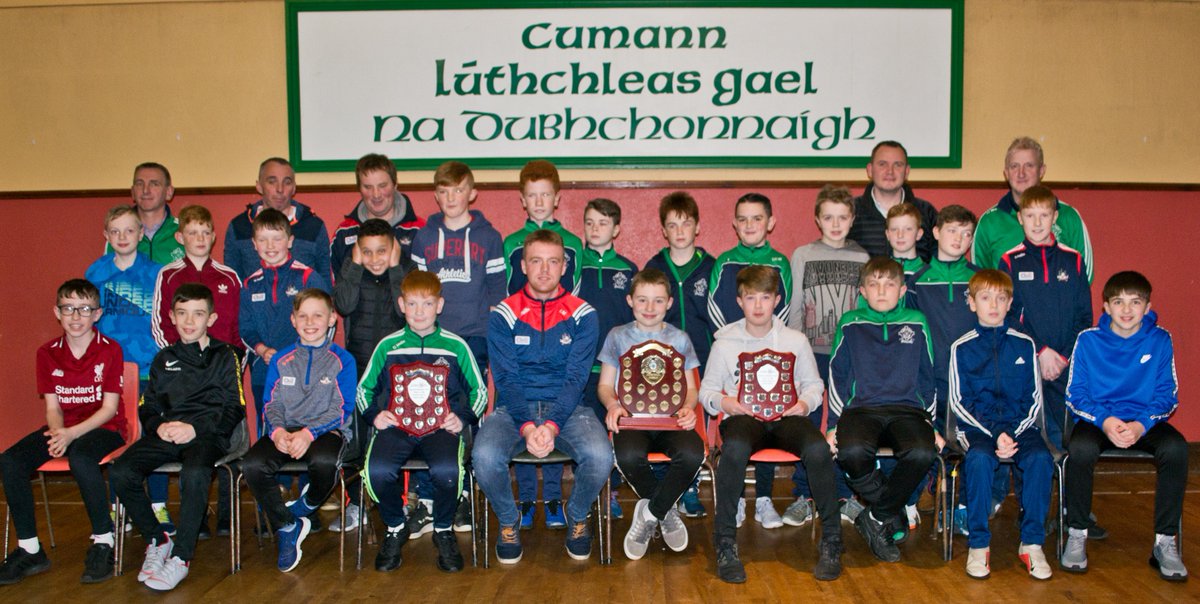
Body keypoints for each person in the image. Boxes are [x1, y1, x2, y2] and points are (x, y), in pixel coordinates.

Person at [475, 229, 612, 564]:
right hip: (513, 408)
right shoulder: (503, 313)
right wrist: (526, 426)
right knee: (483, 457)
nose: (545, 270)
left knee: (600, 456)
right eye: (536, 261)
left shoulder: (584, 313)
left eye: (553, 262)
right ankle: (508, 522)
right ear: (523, 265)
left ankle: (577, 514)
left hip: (568, 408)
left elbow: (576, 378)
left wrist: (550, 425)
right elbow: (505, 379)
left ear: (564, 266)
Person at [700, 265, 841, 583]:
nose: (759, 305)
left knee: (818, 449)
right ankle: (725, 544)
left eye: (765, 297)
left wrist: (803, 404)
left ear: (777, 299)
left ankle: (832, 541)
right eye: (751, 298)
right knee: (733, 448)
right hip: (743, 417)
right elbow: (707, 391)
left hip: (787, 417)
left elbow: (814, 385)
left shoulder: (795, 340)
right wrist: (726, 403)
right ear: (739, 301)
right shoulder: (724, 342)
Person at [108, 283, 245, 592]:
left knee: (196, 473)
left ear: (210, 319)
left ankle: (181, 557)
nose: (189, 321)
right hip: (167, 433)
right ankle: (158, 540)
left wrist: (195, 429)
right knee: (121, 471)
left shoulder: (226, 356)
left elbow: (234, 407)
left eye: (198, 314)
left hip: (206, 435)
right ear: (171, 316)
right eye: (182, 313)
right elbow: (149, 405)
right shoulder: (163, 357)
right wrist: (157, 426)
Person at [1060, 271, 1188, 581]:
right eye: (1118, 302)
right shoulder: (1088, 340)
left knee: (1176, 448)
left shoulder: (1160, 339)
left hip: (1143, 420)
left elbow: (1166, 395)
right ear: (1105, 306)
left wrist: (1142, 426)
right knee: (1080, 448)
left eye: (1135, 302)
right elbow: (1075, 395)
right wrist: (1105, 421)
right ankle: (1077, 532)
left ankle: (1165, 542)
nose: (1127, 310)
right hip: (1099, 418)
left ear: (1147, 306)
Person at [357, 271, 487, 572]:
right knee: (375, 471)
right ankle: (394, 526)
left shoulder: (455, 346)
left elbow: (479, 391)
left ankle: (443, 529)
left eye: (427, 304)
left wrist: (463, 417)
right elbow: (363, 390)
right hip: (397, 428)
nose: (419, 312)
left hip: (439, 428)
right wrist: (374, 415)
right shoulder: (387, 346)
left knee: (448, 470)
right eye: (412, 304)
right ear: (401, 305)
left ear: (439, 305)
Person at [0, 279, 127, 585]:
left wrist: (71, 436)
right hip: (63, 427)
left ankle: (103, 541)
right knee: (10, 461)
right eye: (68, 308)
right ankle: (30, 550)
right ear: (57, 312)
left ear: (97, 314)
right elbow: (53, 408)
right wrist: (58, 433)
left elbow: (109, 410)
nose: (75, 316)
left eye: (84, 309)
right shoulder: (47, 353)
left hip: (103, 427)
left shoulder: (110, 350)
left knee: (82, 458)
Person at [410, 160, 505, 532]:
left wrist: (491, 340)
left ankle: (464, 493)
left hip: (475, 338)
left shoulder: (488, 237)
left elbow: (498, 294)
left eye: (458, 190)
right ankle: (428, 497)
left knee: (466, 414)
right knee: (424, 410)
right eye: (444, 191)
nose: (451, 198)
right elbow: (417, 290)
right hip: (433, 339)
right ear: (436, 196)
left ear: (472, 193)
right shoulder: (423, 237)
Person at [828, 257, 941, 563]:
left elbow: (927, 374)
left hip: (908, 409)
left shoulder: (917, 321)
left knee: (922, 452)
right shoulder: (850, 322)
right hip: (861, 409)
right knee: (850, 452)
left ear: (902, 289)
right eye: (873, 284)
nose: (881, 291)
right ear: (862, 290)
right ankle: (891, 516)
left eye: (889, 284)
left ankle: (876, 516)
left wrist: (932, 423)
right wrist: (833, 425)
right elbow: (838, 374)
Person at [948, 270, 1054, 580]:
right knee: (979, 459)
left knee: (1039, 458)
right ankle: (979, 545)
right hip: (978, 430)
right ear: (972, 303)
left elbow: (1034, 399)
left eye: (1001, 298)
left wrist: (1012, 432)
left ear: (1010, 304)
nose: (993, 304)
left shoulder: (1024, 344)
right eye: (985, 297)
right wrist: (996, 433)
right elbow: (959, 402)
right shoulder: (961, 348)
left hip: (1021, 427)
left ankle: (1032, 543)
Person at [241, 289, 355, 572]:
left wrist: (309, 434)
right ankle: (287, 524)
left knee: (325, 462)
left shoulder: (343, 360)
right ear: (293, 320)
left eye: (318, 315)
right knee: (252, 465)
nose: (310, 321)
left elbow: (341, 408)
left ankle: (304, 506)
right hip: (285, 429)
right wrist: (278, 431)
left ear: (331, 319)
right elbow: (271, 403)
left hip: (327, 431)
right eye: (303, 315)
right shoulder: (281, 359)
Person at [597, 268, 703, 560]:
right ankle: (666, 511)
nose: (649, 308)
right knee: (628, 456)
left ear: (669, 303)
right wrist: (613, 405)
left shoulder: (680, 338)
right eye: (642, 300)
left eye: (658, 301)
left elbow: (691, 389)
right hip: (632, 421)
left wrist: (688, 407)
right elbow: (605, 385)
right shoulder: (617, 336)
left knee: (693, 455)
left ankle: (650, 513)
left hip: (671, 421)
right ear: (630, 300)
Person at [502, 160, 584, 529]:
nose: (539, 202)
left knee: (554, 413)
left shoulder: (572, 243)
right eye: (532, 196)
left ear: (557, 198)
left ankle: (552, 498)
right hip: (520, 337)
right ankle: (524, 500)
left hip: (559, 336)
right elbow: (510, 291)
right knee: (521, 412)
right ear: (522, 200)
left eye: (545, 196)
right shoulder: (510, 243)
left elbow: (570, 291)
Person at [783, 184, 869, 527]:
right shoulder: (803, 254)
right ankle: (805, 495)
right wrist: (794, 350)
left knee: (844, 426)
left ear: (852, 220)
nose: (835, 224)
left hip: (847, 355)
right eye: (828, 217)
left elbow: (864, 310)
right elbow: (795, 306)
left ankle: (844, 494)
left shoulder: (862, 258)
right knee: (806, 427)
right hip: (811, 354)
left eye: (842, 217)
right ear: (818, 219)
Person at [707, 192, 793, 528]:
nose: (749, 225)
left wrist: (764, 354)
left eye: (757, 218)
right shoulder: (724, 262)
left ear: (770, 222)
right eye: (742, 219)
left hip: (772, 368)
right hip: (733, 364)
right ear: (734, 224)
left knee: (768, 424)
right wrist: (735, 345)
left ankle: (766, 500)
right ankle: (739, 499)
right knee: (739, 430)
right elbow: (714, 310)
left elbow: (783, 310)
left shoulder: (780, 263)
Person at [330, 218, 416, 533]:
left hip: (396, 369)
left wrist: (396, 268)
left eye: (382, 251)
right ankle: (356, 503)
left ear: (394, 248)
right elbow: (344, 304)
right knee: (357, 440)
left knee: (395, 433)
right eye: (367, 252)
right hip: (359, 367)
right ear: (357, 251)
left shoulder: (406, 271)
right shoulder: (353, 272)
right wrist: (353, 265)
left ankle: (400, 499)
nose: (375, 259)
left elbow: (402, 309)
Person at [997, 184, 1091, 448]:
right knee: (1029, 436)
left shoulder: (1073, 260)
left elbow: (1084, 318)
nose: (1037, 223)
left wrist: (1061, 356)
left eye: (1044, 215)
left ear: (1055, 217)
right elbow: (1007, 315)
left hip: (1065, 363)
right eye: (1030, 215)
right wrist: (1040, 351)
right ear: (1019, 218)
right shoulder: (1010, 260)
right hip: (1027, 361)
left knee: (1066, 436)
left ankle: (1065, 487)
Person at [641, 192, 717, 517]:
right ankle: (663, 488)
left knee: (694, 426)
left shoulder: (711, 266)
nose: (680, 230)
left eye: (685, 223)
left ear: (697, 227)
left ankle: (691, 488)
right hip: (663, 364)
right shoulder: (656, 266)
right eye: (672, 225)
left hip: (703, 357)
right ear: (664, 230)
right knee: (664, 423)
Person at [239, 208, 331, 417]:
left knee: (303, 428)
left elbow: (325, 324)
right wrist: (261, 350)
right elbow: (245, 328)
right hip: (265, 370)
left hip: (304, 369)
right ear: (254, 243)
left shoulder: (308, 278)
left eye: (277, 239)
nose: (270, 246)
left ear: (290, 241)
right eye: (263, 240)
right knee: (269, 431)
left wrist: (307, 357)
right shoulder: (249, 284)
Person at [577, 198, 637, 519]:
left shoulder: (627, 269)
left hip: (617, 370)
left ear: (616, 228)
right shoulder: (574, 266)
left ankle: (611, 492)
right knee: (587, 434)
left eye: (602, 223)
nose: (595, 229)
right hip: (583, 369)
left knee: (616, 433)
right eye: (589, 222)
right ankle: (585, 494)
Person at [973, 137, 1093, 281]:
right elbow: (980, 277)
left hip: (1059, 302)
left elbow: (1085, 274)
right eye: (1014, 166)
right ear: (1006, 173)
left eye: (1029, 165)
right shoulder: (989, 222)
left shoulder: (1068, 216)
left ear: (1042, 170)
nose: (1021, 173)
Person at [907, 205, 979, 422]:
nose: (959, 238)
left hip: (972, 374)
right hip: (932, 375)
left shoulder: (980, 279)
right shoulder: (917, 281)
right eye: (952, 230)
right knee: (935, 442)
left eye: (966, 234)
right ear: (936, 232)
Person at [151, 205, 242, 354]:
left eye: (205, 233)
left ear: (213, 237)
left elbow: (240, 326)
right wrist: (177, 356)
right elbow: (160, 324)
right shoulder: (168, 275)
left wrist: (234, 359)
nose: (200, 239)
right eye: (192, 233)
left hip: (221, 364)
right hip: (182, 362)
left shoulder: (229, 277)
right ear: (180, 238)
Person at [224, 157, 332, 284]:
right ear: (259, 186)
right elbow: (232, 282)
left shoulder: (314, 226)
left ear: (294, 188)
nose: (280, 189)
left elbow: (325, 282)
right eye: (272, 182)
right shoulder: (239, 227)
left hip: (302, 302)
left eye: (287, 182)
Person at [87, 205, 162, 385]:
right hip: (106, 365)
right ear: (106, 235)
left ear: (140, 233)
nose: (122, 237)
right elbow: (86, 319)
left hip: (147, 367)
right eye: (115, 231)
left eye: (129, 230)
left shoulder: (157, 273)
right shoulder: (95, 273)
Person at [331, 153, 424, 282]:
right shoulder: (344, 232)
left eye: (382, 186)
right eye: (368, 187)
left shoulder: (418, 231)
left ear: (395, 185)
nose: (376, 195)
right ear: (359, 189)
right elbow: (335, 289)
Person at [845, 141, 939, 261]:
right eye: (882, 164)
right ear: (870, 170)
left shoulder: (926, 212)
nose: (890, 171)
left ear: (906, 171)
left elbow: (940, 263)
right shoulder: (850, 211)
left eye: (898, 165)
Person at [108, 162, 184, 265]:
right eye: (140, 184)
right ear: (133, 192)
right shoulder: (117, 234)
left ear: (169, 192)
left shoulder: (186, 231)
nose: (145, 190)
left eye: (154, 184)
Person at [885, 203, 928, 277]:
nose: (900, 235)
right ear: (887, 234)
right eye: (894, 229)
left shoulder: (929, 274)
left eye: (908, 229)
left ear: (918, 234)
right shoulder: (878, 272)